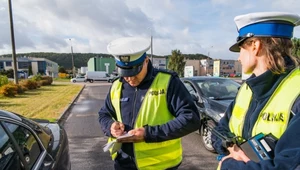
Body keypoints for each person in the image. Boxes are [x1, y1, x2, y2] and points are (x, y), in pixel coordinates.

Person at [212, 12, 300, 170]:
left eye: (241, 49)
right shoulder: (246, 88)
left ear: (255, 45)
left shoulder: (297, 92)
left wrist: (229, 164)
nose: (239, 58)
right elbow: (219, 131)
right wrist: (233, 149)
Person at [98, 37, 200, 170]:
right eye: (125, 73)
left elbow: (191, 119)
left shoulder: (168, 82)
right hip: (123, 163)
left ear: (146, 61)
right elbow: (104, 114)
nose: (130, 78)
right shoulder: (116, 85)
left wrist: (148, 134)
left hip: (161, 165)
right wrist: (110, 126)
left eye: (135, 72)